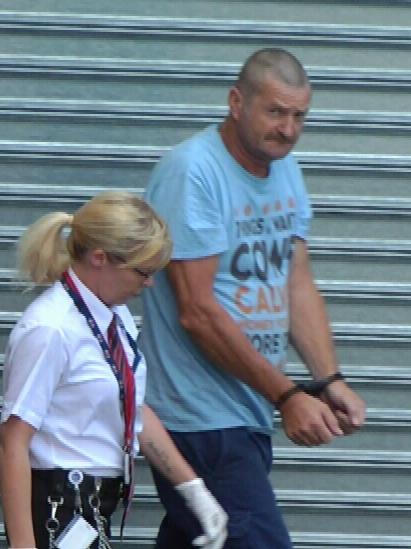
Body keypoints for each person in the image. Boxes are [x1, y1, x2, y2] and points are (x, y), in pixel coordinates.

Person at [140, 48, 367, 548]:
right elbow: (197, 312)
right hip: (199, 417)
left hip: (246, 413)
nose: (287, 129)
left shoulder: (285, 169)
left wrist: (328, 379)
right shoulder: (192, 171)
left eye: (299, 116)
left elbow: (295, 282)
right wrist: (286, 395)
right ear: (236, 102)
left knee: (205, 536)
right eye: (275, 111)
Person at [0, 191, 228, 549]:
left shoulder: (116, 317)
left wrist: (193, 489)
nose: (150, 283)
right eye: (143, 271)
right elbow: (13, 441)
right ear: (99, 258)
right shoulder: (51, 329)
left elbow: (131, 408)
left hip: (94, 508)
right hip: (59, 505)